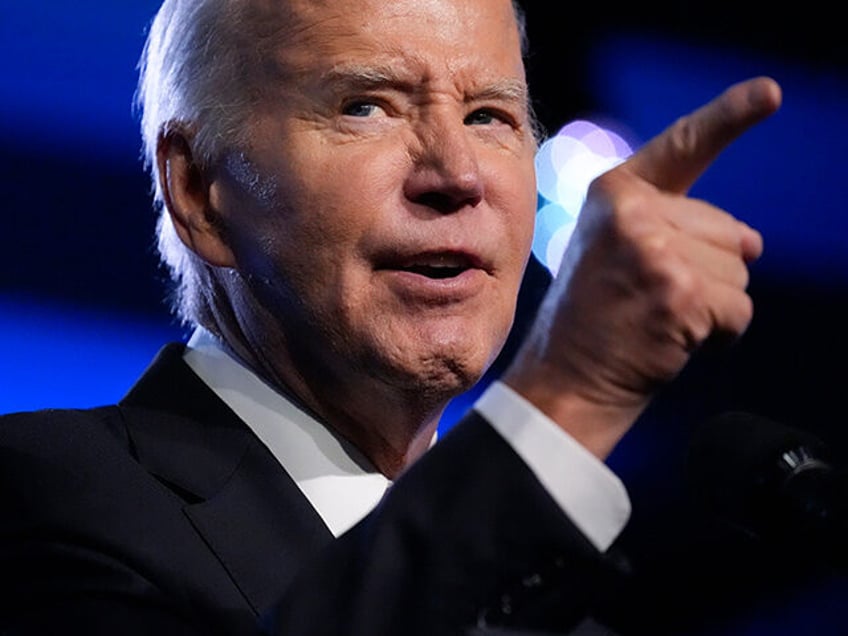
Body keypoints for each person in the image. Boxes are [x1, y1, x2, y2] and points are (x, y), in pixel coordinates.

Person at [0, 0, 781, 634]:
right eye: (366, 106)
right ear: (202, 190)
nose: (458, 174)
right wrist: (569, 397)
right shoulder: (46, 496)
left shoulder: (563, 617)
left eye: (488, 117)